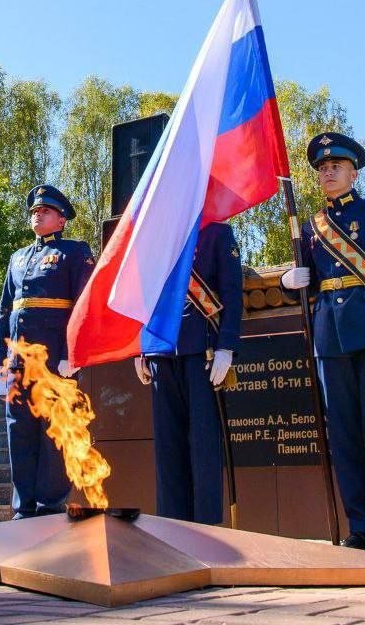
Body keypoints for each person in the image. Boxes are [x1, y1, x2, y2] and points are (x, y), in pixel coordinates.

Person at [281, 133, 365, 553]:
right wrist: (290, 284)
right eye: (322, 169)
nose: (328, 173)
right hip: (330, 338)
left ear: (354, 173)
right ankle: (359, 524)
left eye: (336, 167)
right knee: (343, 436)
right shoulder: (310, 227)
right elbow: (310, 283)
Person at [0, 185, 95, 518]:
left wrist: (71, 353)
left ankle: (51, 506)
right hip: (20, 359)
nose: (37, 214)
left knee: (54, 432)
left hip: (55, 361)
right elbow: (6, 310)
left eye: (45, 211)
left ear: (61, 220)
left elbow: (83, 304)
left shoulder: (74, 252)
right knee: (18, 430)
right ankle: (23, 507)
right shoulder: (18, 258)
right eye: (34, 211)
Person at [133, 222, 242, 524]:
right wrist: (140, 347)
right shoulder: (157, 236)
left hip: (202, 349)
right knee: (168, 448)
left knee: (204, 445)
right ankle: (173, 526)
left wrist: (227, 345)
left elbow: (232, 291)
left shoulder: (216, 233)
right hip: (161, 351)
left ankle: (206, 528)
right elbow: (145, 296)